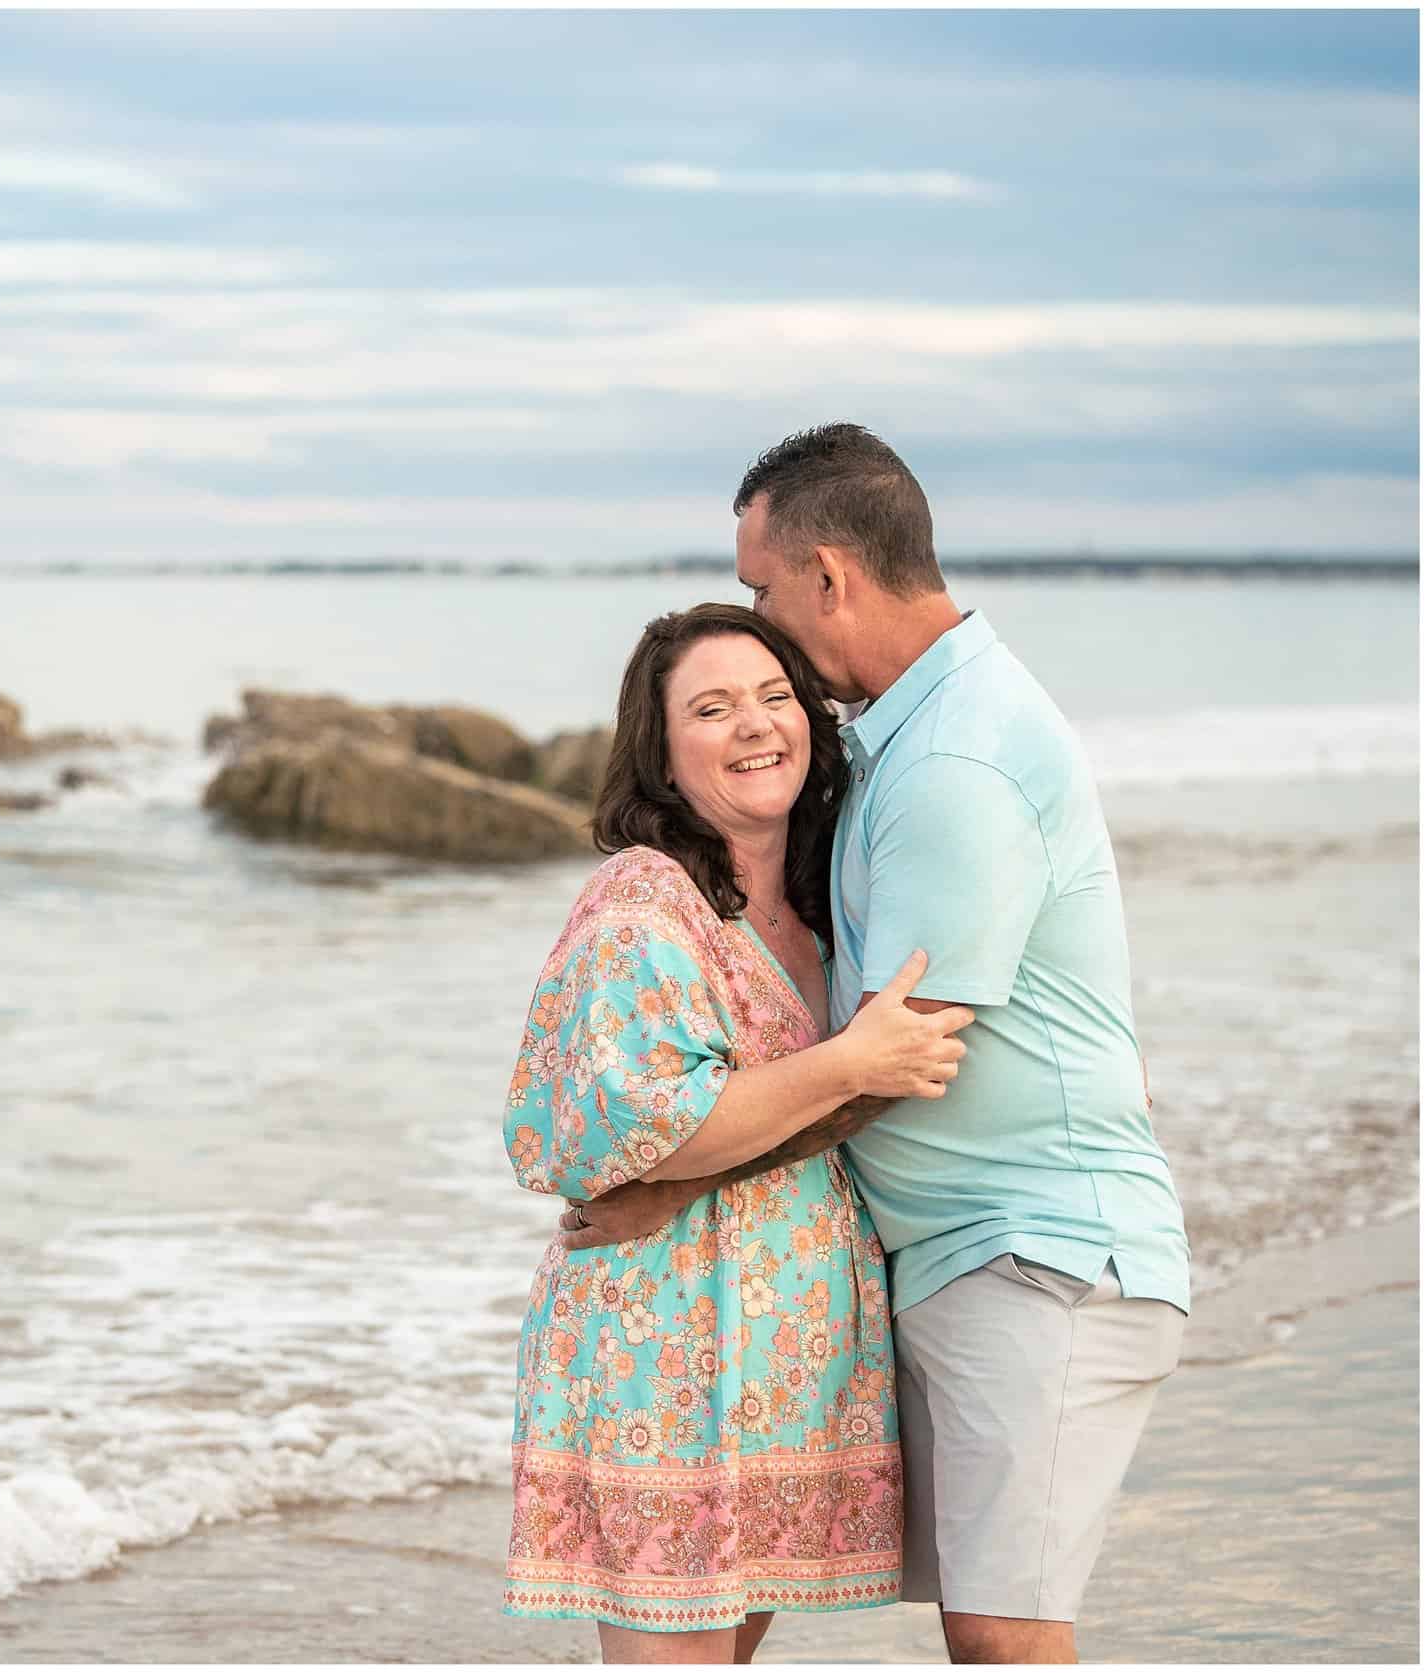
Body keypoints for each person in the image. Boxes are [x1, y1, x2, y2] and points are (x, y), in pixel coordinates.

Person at [560, 424, 1192, 1665]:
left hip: (1031, 1252)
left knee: (1005, 1635)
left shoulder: (954, 755)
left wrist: (668, 1182)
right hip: (950, 1256)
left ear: (830, 576)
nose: (760, 615)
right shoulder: (908, 732)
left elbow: (894, 1055)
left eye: (761, 589)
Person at [501, 602, 975, 1665]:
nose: (755, 725)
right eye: (711, 708)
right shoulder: (643, 900)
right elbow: (655, 1126)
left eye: (772, 697)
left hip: (784, 1356)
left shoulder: (822, 900)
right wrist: (849, 1060)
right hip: (663, 1341)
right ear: (662, 756)